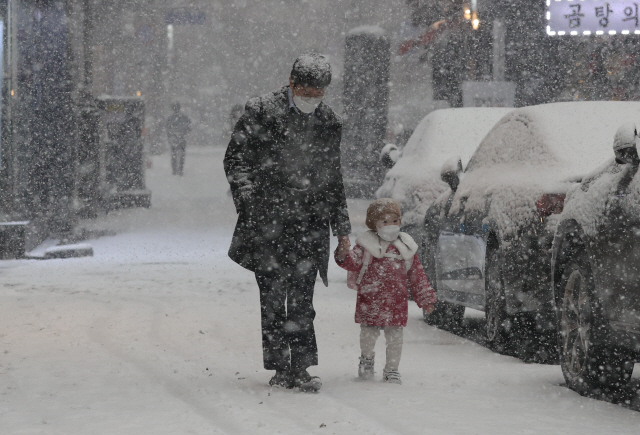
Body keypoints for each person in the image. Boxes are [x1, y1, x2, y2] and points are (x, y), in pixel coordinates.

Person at [223, 53, 352, 392]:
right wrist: (250, 202)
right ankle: (280, 366)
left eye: (318, 93)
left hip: (310, 222)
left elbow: (334, 177)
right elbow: (236, 159)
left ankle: (302, 366)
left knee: (302, 299)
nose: (312, 99)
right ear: (292, 83)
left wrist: (342, 230)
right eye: (306, 92)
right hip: (268, 221)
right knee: (272, 296)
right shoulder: (262, 112)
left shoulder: (328, 122)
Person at [335, 198, 436, 385]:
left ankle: (392, 369)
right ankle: (367, 359)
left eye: (395, 221)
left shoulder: (406, 247)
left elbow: (417, 275)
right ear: (374, 224)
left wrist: (426, 298)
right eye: (385, 221)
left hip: (396, 300)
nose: (391, 225)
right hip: (370, 298)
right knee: (368, 334)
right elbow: (351, 262)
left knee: (395, 337)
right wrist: (342, 253)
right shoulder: (366, 245)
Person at [166, 102, 191, 176]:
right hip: (182, 138)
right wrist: (184, 133)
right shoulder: (184, 117)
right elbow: (188, 127)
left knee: (173, 154)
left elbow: (168, 128)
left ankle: (174, 170)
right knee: (182, 154)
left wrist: (170, 136)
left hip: (174, 138)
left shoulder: (170, 118)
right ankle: (180, 169)